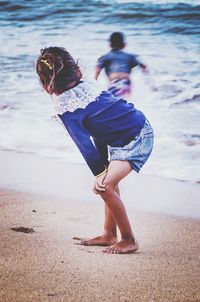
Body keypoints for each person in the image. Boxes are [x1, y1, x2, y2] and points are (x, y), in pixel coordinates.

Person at [36, 46, 154, 254]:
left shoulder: (67, 108)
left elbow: (84, 145)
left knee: (104, 187)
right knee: (109, 184)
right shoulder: (87, 85)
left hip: (136, 137)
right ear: (78, 71)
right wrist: (105, 169)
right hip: (132, 128)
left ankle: (129, 239)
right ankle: (109, 234)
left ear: (46, 86)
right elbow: (98, 128)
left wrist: (100, 175)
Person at [95, 32, 148, 100]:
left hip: (114, 83)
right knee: (124, 102)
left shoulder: (104, 57)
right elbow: (143, 66)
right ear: (124, 44)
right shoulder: (131, 56)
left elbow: (97, 71)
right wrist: (150, 84)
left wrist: (94, 87)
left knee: (113, 103)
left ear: (110, 45)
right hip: (126, 83)